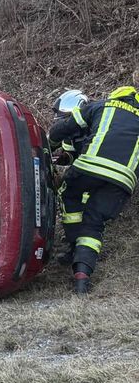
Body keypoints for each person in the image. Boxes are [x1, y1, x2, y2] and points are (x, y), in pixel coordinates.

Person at [48, 85, 139, 294]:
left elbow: (62, 129)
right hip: (122, 180)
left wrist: (47, 146)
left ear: (116, 95)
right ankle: (82, 278)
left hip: (91, 166)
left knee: (68, 193)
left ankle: (72, 245)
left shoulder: (101, 106)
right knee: (94, 223)